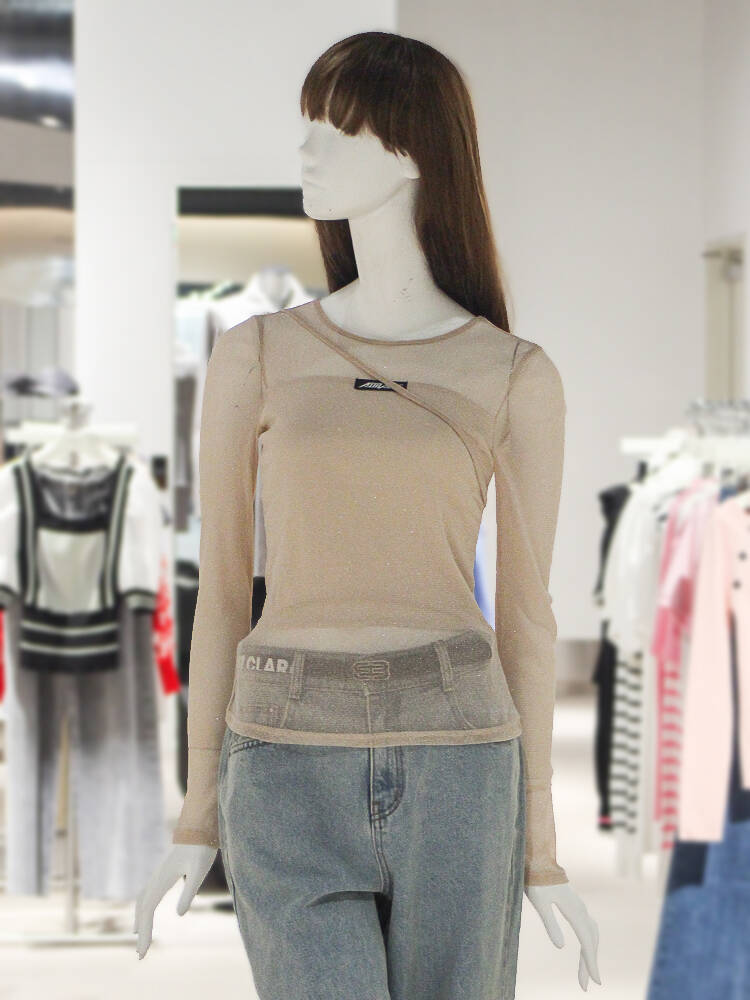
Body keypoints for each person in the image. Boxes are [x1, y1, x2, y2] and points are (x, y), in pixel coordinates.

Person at [135, 30, 601, 998]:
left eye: (336, 128)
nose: (306, 150)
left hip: (460, 759)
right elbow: (222, 594)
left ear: (414, 151)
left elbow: (526, 614)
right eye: (307, 123)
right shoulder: (256, 353)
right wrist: (196, 814)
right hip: (284, 752)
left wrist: (542, 848)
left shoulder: (513, 374)